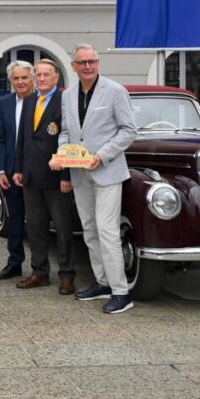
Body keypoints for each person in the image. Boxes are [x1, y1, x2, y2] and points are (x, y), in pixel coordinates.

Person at [51, 44, 137, 314]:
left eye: (92, 61)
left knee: (107, 230)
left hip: (107, 171)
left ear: (98, 63)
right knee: (89, 230)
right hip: (79, 173)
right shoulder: (67, 95)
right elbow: (66, 131)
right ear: (73, 66)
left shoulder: (115, 91)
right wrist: (63, 153)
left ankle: (121, 291)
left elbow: (128, 131)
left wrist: (102, 155)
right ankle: (102, 282)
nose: (87, 66)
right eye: (82, 62)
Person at [13, 59, 76, 295]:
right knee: (36, 227)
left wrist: (67, 175)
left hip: (56, 177)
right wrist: (18, 168)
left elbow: (71, 139)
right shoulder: (29, 100)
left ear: (56, 77)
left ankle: (67, 275)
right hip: (30, 176)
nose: (40, 79)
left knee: (62, 228)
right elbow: (23, 137)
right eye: (37, 75)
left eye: (45, 75)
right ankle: (39, 272)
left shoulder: (65, 101)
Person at [0, 60, 33, 280]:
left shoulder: (41, 101)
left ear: (32, 79)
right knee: (15, 221)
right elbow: (0, 139)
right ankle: (14, 262)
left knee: (37, 223)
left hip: (36, 173)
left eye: (24, 78)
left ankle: (40, 267)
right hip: (10, 172)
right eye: (16, 78)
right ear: (11, 81)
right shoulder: (5, 103)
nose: (20, 82)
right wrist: (0, 171)